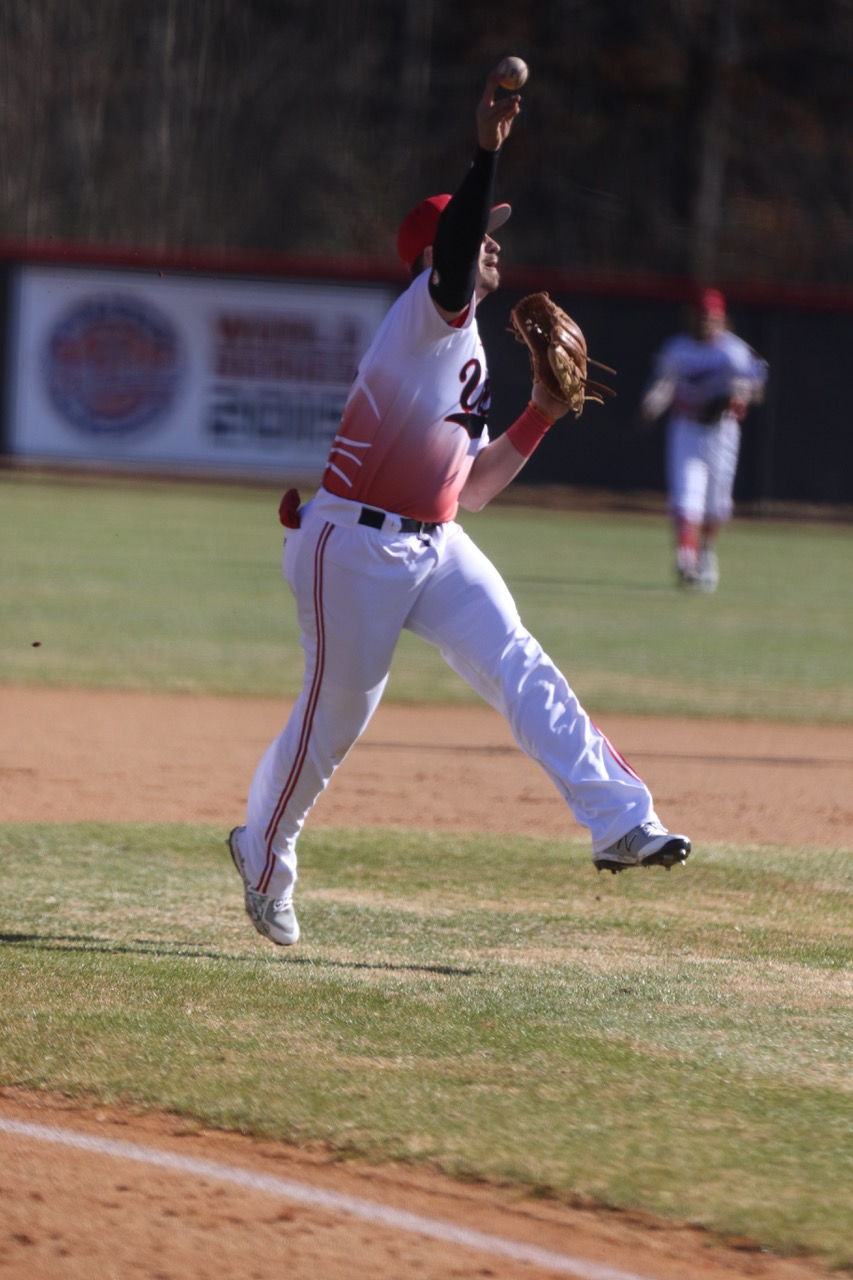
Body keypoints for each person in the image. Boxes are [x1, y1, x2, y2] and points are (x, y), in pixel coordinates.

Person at [227, 67, 691, 947]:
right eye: (478, 234)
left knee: (519, 663)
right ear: (435, 254)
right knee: (332, 725)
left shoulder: (466, 341)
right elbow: (451, 260)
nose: (492, 246)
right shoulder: (425, 314)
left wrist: (542, 416)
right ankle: (261, 850)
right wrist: (484, 151)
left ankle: (620, 821)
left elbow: (468, 488)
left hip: (430, 543)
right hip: (350, 549)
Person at [641, 288, 768, 592]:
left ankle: (706, 552)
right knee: (688, 494)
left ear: (722, 318)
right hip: (687, 427)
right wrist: (654, 402)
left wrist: (741, 393)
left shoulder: (733, 351)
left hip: (722, 431)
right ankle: (686, 557)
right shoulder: (678, 348)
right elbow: (664, 384)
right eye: (702, 316)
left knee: (717, 505)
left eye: (712, 316)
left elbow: (758, 387)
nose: (707, 321)